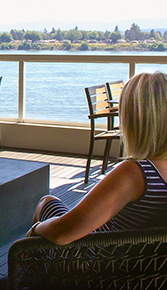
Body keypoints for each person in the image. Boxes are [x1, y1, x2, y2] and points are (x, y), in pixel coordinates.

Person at [27, 72, 167, 244]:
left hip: (96, 261)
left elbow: (62, 233)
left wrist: (35, 229)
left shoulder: (135, 173)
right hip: (138, 262)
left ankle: (31, 263)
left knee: (46, 202)